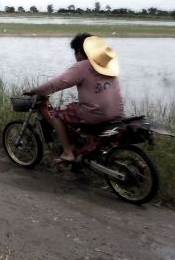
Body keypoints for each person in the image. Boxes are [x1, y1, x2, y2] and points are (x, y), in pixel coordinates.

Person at [24, 33, 124, 164]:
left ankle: (67, 153)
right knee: (75, 108)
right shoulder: (106, 65)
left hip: (95, 114)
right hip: (117, 113)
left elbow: (57, 83)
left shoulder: (82, 66)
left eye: (75, 52)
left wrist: (34, 90)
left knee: (56, 114)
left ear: (80, 52)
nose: (75, 57)